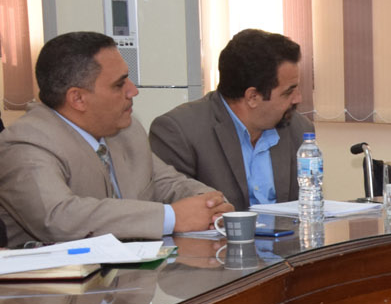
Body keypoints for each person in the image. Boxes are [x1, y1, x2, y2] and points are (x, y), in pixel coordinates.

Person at [0, 31, 230, 243]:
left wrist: (210, 204)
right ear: (77, 98)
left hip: (134, 270)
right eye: (119, 84)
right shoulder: (25, 144)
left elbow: (167, 183)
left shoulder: (125, 130)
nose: (133, 91)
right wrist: (170, 217)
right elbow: (57, 218)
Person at [149, 29, 314, 211]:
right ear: (252, 97)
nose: (298, 98)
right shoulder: (178, 132)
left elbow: (307, 207)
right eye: (289, 92)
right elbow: (179, 214)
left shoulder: (299, 129)